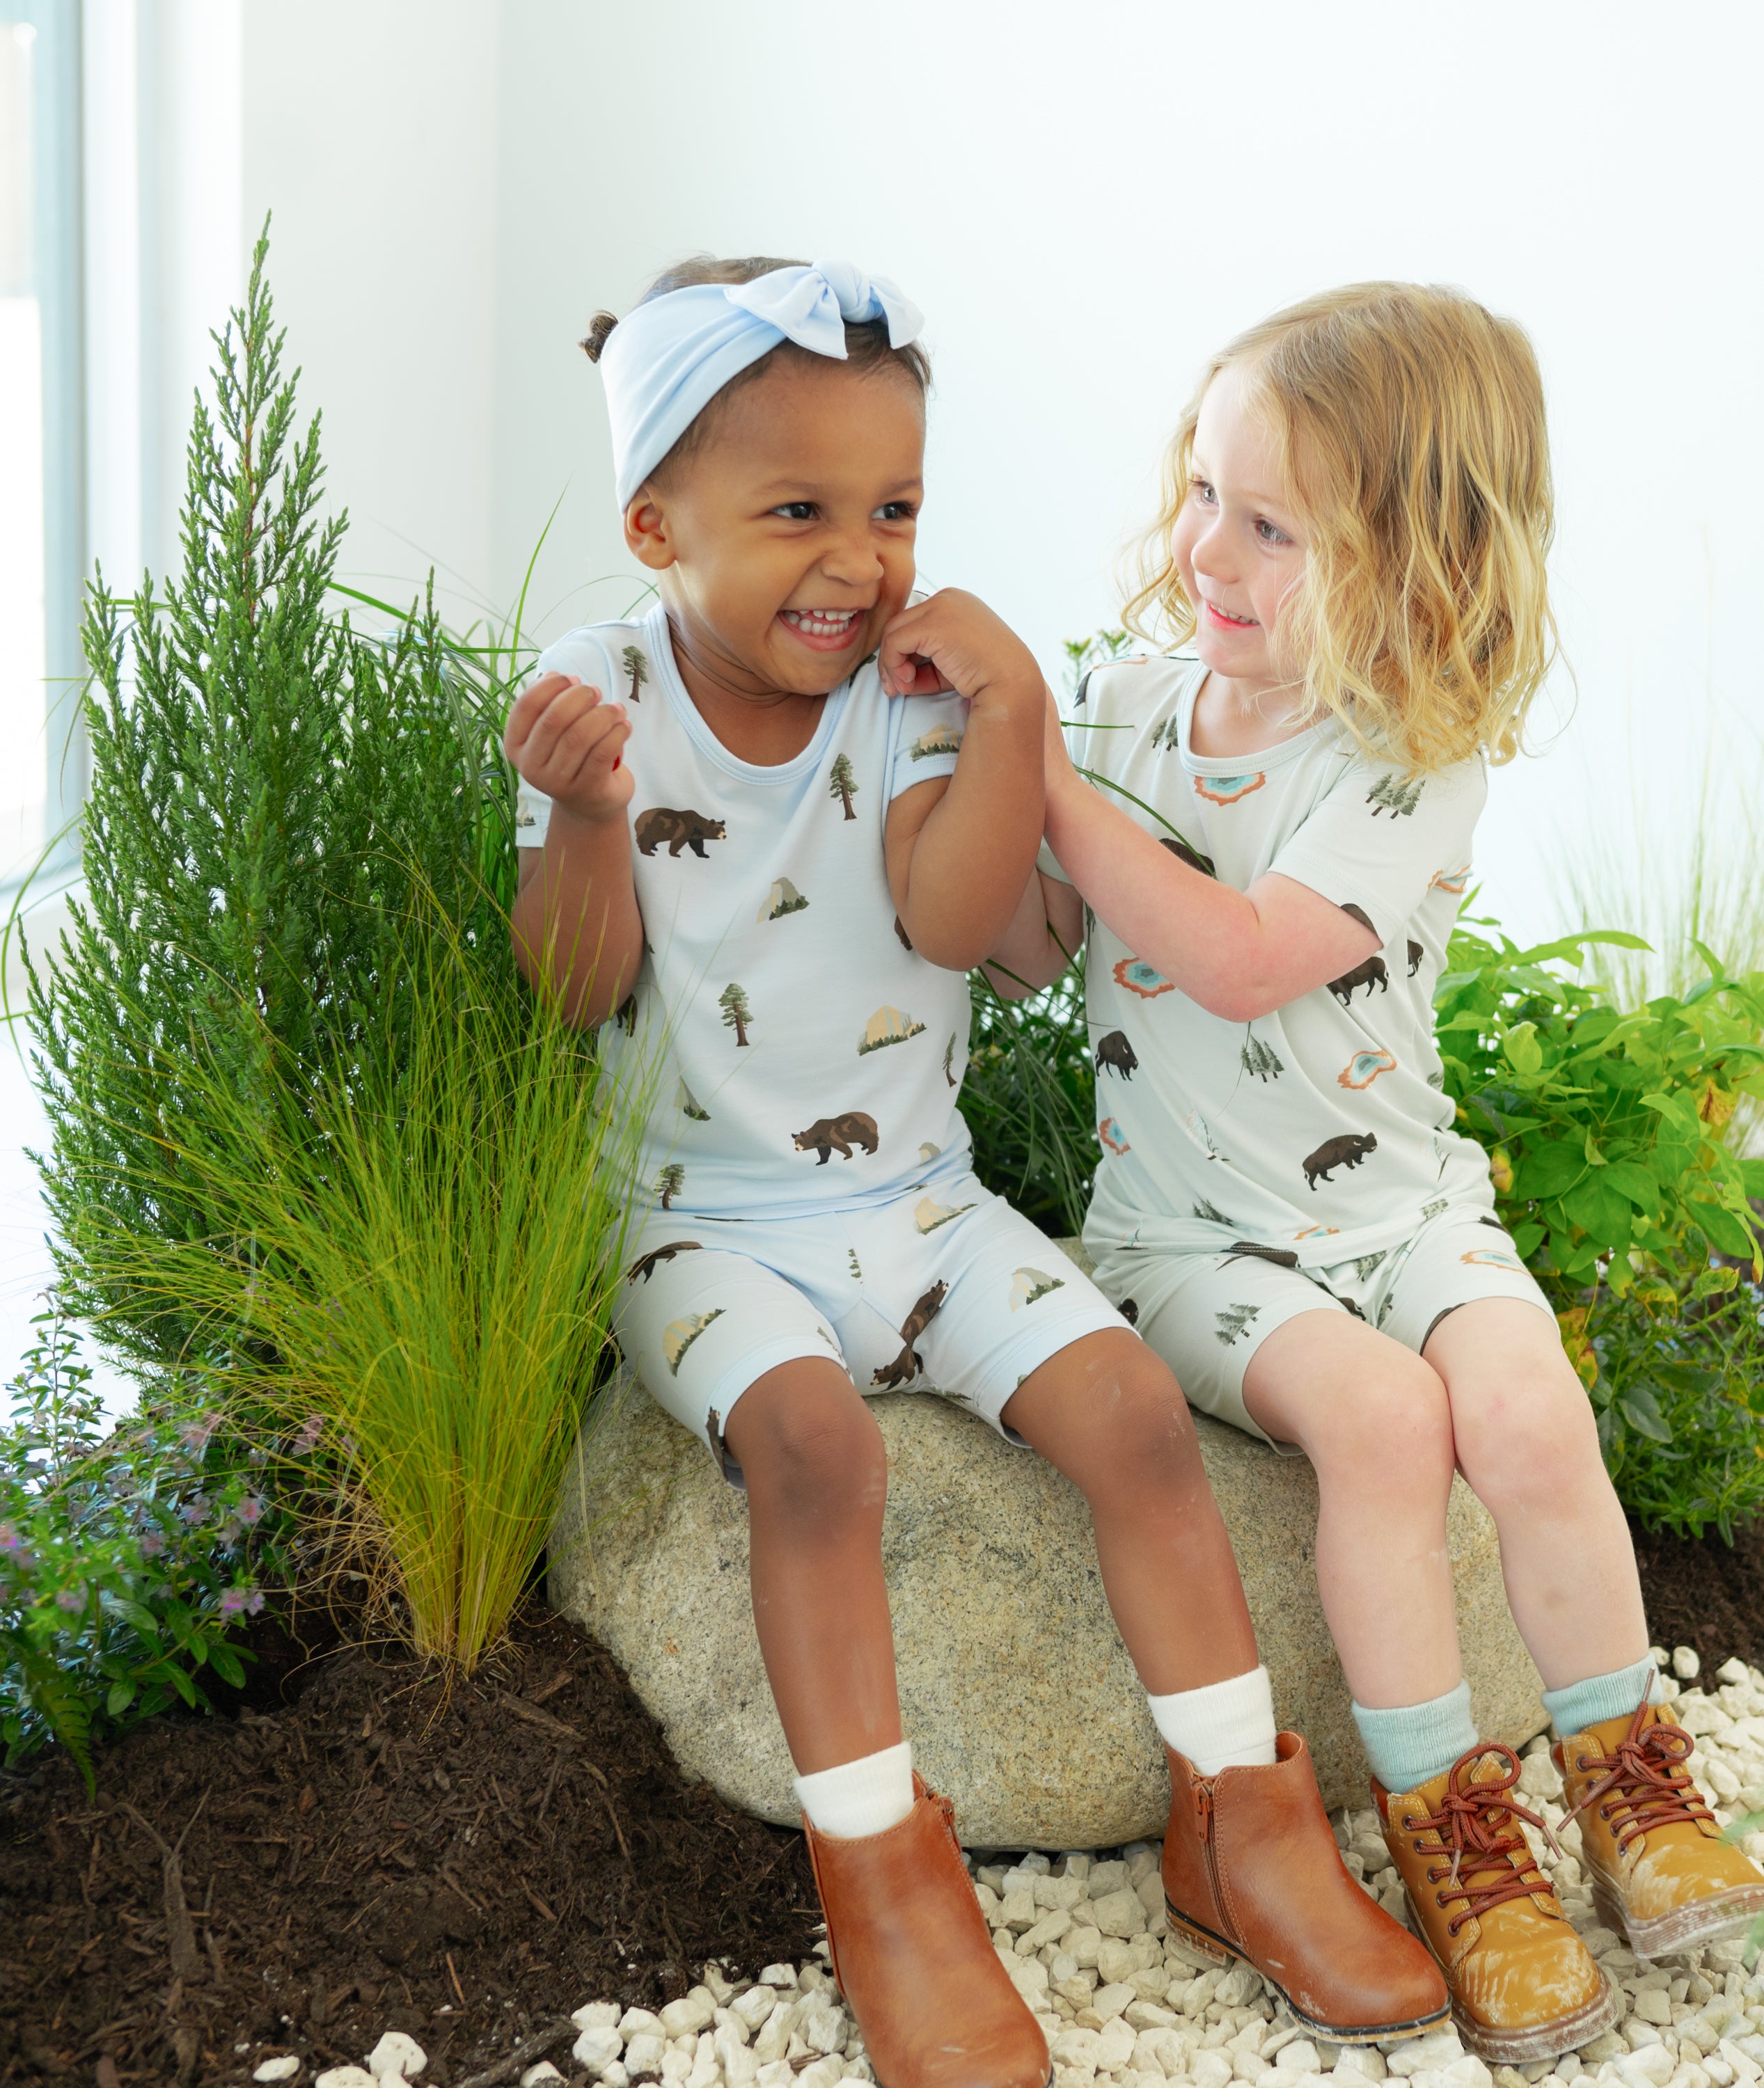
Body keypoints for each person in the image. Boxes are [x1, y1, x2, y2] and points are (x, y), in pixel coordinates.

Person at [503, 255, 1447, 2088]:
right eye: (799, 512)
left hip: (924, 1207)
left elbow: (964, 932)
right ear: (653, 526)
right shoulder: (599, 699)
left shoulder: (907, 694)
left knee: (1138, 1421)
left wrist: (1010, 719)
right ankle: (888, 1884)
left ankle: (1241, 1825)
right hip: (703, 1231)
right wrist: (587, 815)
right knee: (816, 1455)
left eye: (895, 509)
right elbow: (575, 990)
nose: (859, 559)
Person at [995, 283, 1764, 2068]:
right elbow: (1036, 949)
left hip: (1405, 1207)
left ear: (1421, 568)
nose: (1211, 549)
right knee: (1381, 1423)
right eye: (1206, 493)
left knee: (1532, 1413)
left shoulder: (1411, 759)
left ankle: (1629, 1779)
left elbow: (1247, 956)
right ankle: (1459, 1843)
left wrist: (1049, 789)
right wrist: (996, 780)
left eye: (1274, 528)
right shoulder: (1111, 714)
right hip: (1192, 1243)